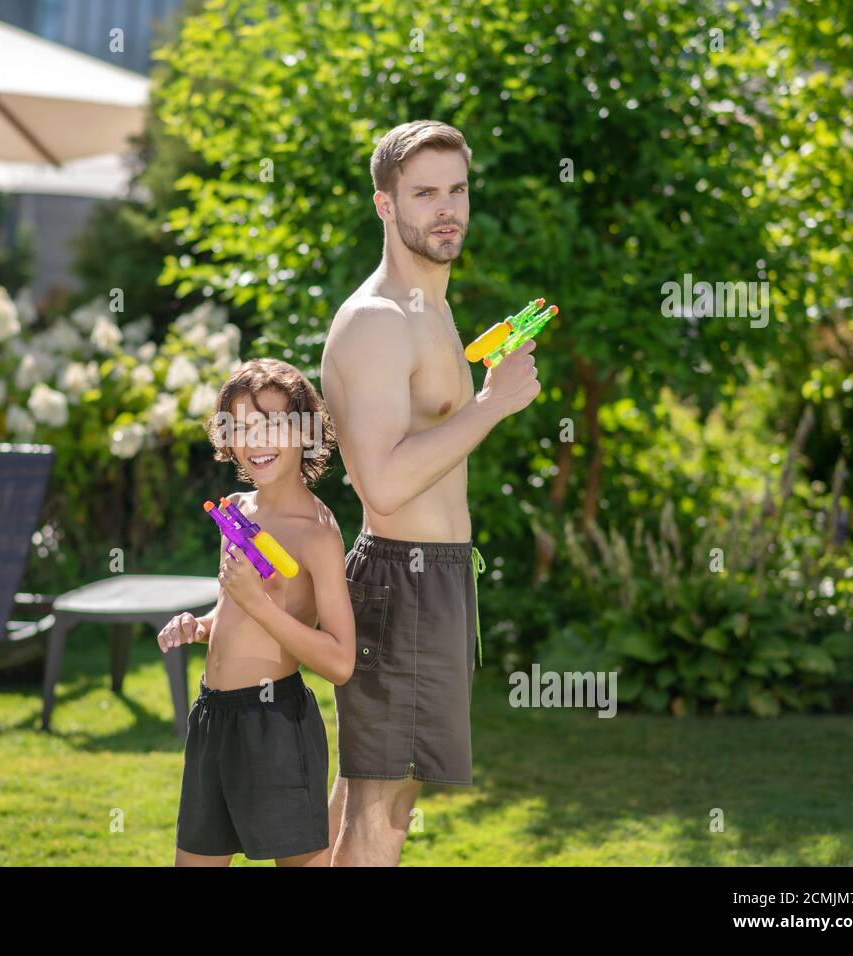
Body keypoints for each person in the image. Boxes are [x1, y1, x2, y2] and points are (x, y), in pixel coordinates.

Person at [320, 120, 543, 866]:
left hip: (433, 578)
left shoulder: (435, 310)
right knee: (381, 814)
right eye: (423, 194)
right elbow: (379, 484)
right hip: (402, 577)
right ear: (385, 205)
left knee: (364, 800)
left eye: (457, 189)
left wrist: (483, 395)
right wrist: (493, 406)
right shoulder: (378, 322)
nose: (446, 209)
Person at [159, 357, 356, 867]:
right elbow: (234, 608)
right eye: (242, 427)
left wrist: (257, 605)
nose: (256, 440)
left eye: (271, 423)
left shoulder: (318, 533)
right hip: (212, 718)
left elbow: (339, 662)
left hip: (274, 724)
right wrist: (200, 626)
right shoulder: (239, 511)